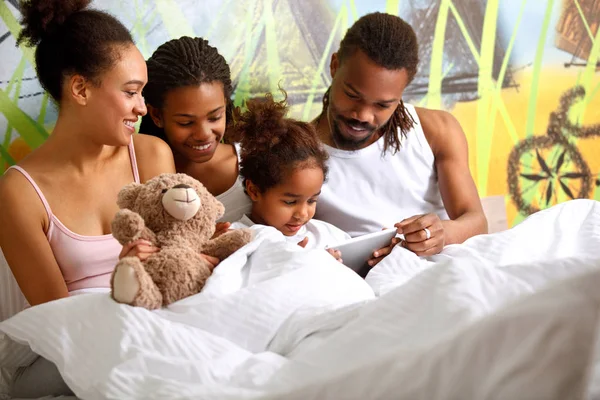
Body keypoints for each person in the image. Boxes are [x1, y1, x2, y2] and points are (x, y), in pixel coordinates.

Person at [0, 1, 206, 397]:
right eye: (131, 92)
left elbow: (181, 263)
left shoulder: (149, 155)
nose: (142, 107)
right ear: (80, 89)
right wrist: (121, 288)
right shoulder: (20, 193)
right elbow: (57, 324)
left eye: (142, 92)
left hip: (160, 323)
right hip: (74, 349)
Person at [312, 12, 487, 264]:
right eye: (352, 94)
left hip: (439, 271)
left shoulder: (437, 131)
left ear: (402, 92)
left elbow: (476, 221)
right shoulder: (296, 151)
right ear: (334, 66)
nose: (362, 115)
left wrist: (440, 234)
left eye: (382, 105)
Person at [139, 36, 252, 225]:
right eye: (186, 123)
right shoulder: (140, 175)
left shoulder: (254, 165)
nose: (203, 134)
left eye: (215, 117)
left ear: (225, 104)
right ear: (157, 115)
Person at [228, 93, 349, 261]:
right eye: (290, 202)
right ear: (254, 190)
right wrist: (293, 266)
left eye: (311, 201)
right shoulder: (237, 239)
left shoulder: (325, 235)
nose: (302, 214)